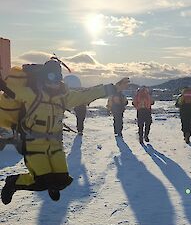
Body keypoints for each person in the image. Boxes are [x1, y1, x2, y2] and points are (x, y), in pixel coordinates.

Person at [0, 59, 130, 205]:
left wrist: (114, 88)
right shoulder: (32, 94)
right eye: (50, 77)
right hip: (34, 144)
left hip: (55, 145)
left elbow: (88, 94)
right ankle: (13, 182)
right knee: (40, 181)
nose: (54, 82)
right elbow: (9, 92)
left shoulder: (64, 97)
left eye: (57, 77)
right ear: (43, 78)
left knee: (62, 181)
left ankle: (53, 185)